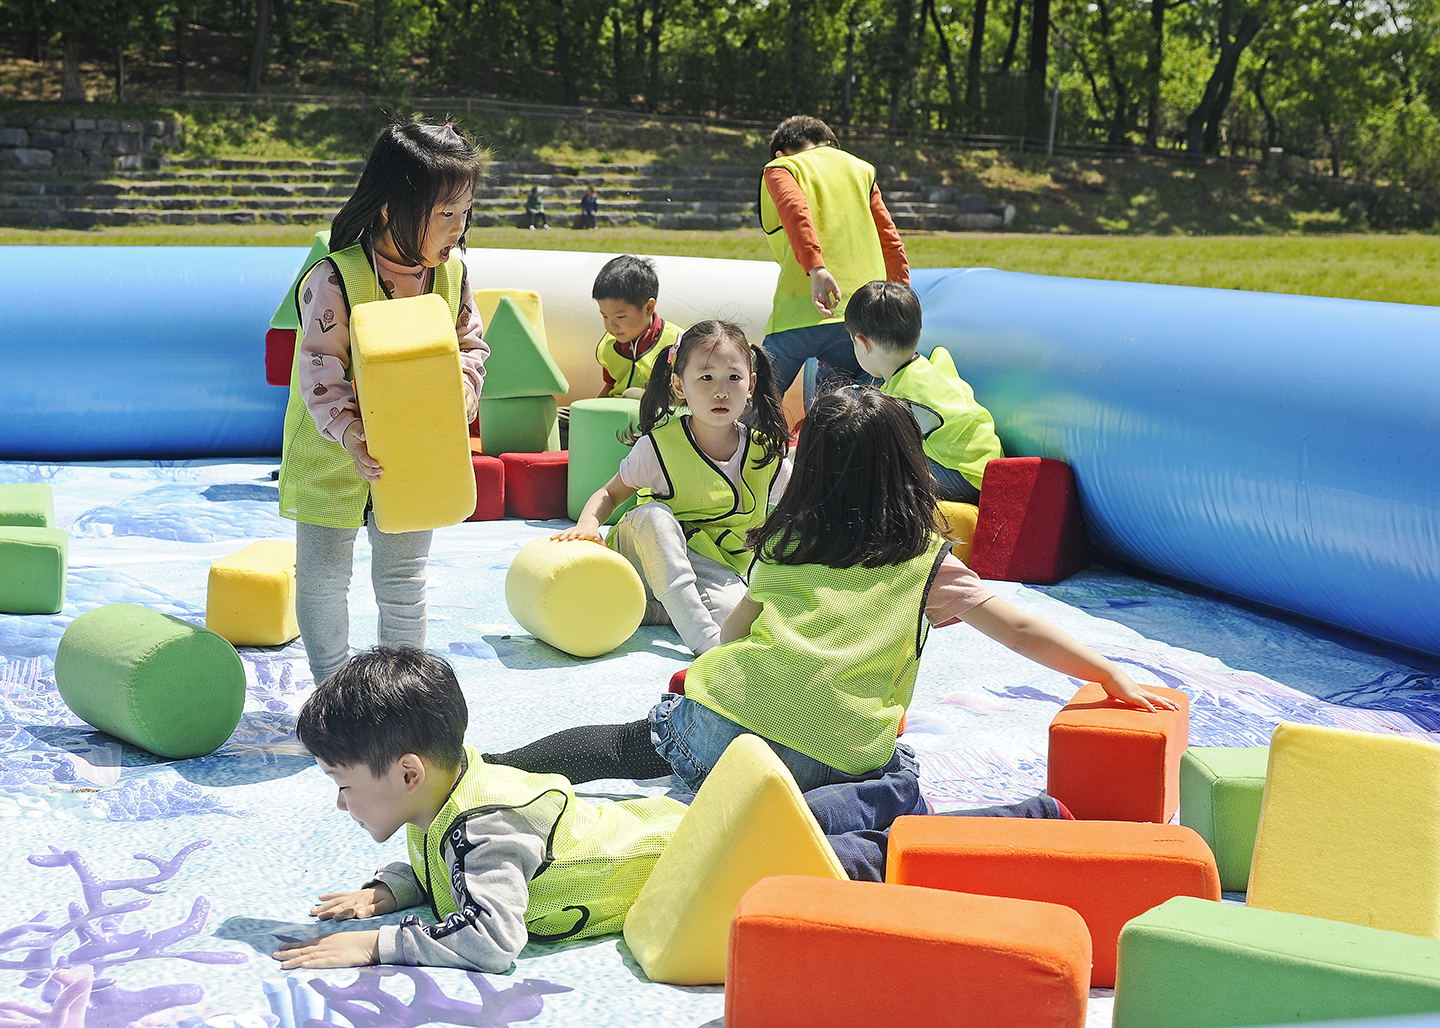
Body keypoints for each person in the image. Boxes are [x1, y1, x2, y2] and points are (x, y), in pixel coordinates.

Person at [487, 387, 1177, 875]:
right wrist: (1107, 673)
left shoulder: (786, 543)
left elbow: (732, 635)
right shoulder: (926, 563)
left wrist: (706, 682)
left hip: (724, 744)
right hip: (838, 761)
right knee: (896, 766)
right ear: (909, 468)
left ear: (809, 468)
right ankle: (859, 816)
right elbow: (1021, 629)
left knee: (632, 743)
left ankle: (496, 766)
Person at [273, 647, 685, 973]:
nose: (341, 802)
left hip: (689, 853)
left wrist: (375, 945)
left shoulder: (488, 828)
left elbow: (492, 941)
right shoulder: (439, 789)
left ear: (408, 774)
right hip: (655, 824)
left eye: (343, 784)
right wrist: (395, 888)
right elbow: (449, 864)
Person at [277, 121, 488, 686]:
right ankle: (333, 690)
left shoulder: (453, 275)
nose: (458, 228)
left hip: (415, 453)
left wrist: (465, 387)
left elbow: (469, 345)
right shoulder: (334, 278)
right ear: (393, 207)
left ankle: (401, 693)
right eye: (445, 213)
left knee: (404, 576)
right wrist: (350, 433)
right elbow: (320, 368)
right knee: (323, 578)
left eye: (465, 212)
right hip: (332, 452)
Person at [556, 321, 790, 655]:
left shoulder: (764, 453)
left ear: (751, 384)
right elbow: (609, 494)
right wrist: (588, 524)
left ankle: (656, 611)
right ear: (679, 385)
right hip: (643, 555)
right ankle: (702, 642)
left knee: (740, 621)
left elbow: (801, 508)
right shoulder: (658, 447)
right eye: (706, 377)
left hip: (715, 569)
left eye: (733, 378)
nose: (721, 391)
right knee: (655, 515)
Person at [758, 114, 909, 400]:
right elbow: (890, 239)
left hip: (799, 312)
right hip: (863, 315)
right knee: (848, 411)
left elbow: (795, 210)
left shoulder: (782, 167)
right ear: (831, 145)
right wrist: (901, 295)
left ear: (780, 152)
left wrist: (816, 268)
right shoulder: (862, 170)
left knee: (753, 401)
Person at [846, 280, 1003, 505]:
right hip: (988, 463)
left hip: (970, 479)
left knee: (880, 473)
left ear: (863, 344)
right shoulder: (933, 364)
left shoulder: (901, 399)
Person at [592, 254, 684, 399]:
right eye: (605, 316)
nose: (611, 326)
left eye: (620, 317)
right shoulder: (609, 345)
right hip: (615, 414)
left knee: (631, 395)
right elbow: (610, 385)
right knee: (566, 413)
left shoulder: (679, 344)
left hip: (655, 415)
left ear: (648, 308)